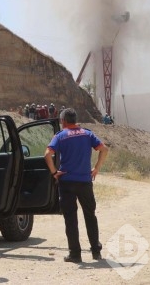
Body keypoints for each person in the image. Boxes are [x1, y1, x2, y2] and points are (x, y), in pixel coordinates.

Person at [44, 107, 109, 263]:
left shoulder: (60, 136)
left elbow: (47, 154)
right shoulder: (87, 134)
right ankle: (95, 251)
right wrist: (97, 168)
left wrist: (54, 172)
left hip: (66, 182)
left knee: (70, 218)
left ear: (63, 121)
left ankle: (75, 254)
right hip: (85, 181)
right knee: (90, 215)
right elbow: (104, 149)